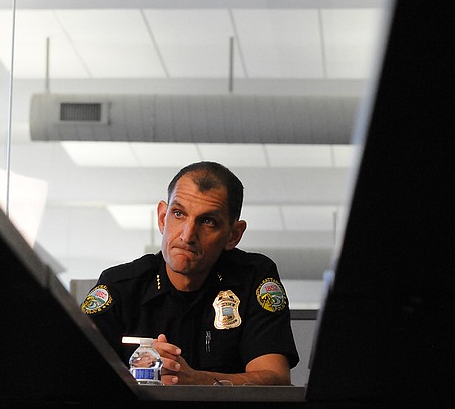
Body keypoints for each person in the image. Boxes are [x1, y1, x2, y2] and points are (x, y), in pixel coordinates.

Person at [81, 161, 299, 385]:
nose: (187, 235)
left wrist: (196, 380)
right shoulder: (120, 286)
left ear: (233, 235)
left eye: (207, 221)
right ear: (162, 218)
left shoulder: (253, 277)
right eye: (178, 214)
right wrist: (137, 375)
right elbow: (74, 373)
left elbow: (276, 379)